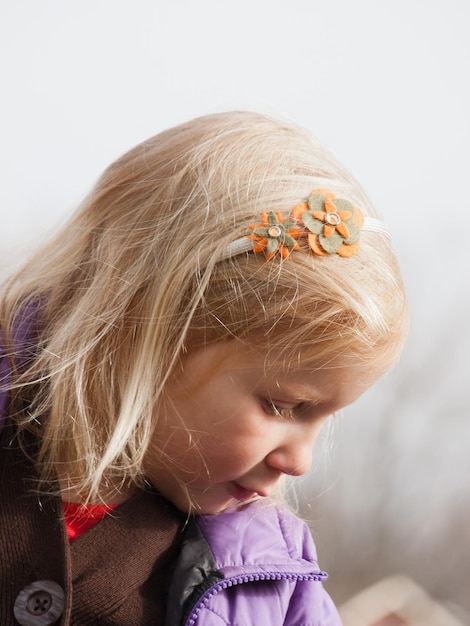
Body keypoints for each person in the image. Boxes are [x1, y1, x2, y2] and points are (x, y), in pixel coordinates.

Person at [0, 111, 408, 625]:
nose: (300, 462)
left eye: (325, 417)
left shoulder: (273, 588)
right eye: (282, 405)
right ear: (147, 329)